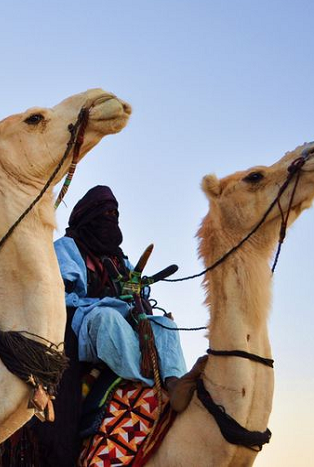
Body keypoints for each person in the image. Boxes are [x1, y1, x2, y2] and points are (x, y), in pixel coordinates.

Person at [28, 185, 206, 467]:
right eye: (104, 214)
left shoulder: (119, 259)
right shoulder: (66, 249)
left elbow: (139, 292)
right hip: (82, 323)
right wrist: (106, 299)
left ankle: (173, 382)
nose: (110, 219)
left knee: (162, 325)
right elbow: (58, 295)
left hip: (127, 320)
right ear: (87, 217)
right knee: (107, 320)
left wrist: (137, 296)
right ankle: (149, 382)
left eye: (114, 214)